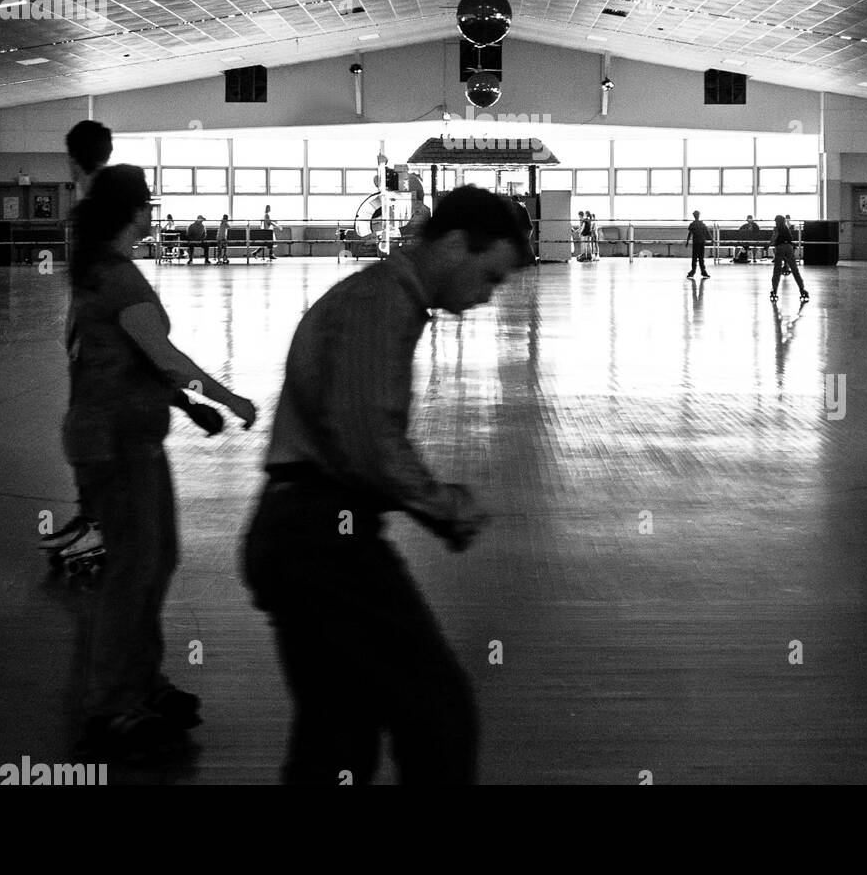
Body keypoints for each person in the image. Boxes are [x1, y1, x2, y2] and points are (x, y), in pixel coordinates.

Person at [243, 187, 533, 785]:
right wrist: (443, 506)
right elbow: (366, 444)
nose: (485, 296)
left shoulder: (377, 297)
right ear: (455, 244)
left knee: (337, 738)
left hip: (295, 534)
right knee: (437, 712)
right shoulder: (382, 302)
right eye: (489, 276)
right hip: (322, 542)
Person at [66, 166, 257, 758]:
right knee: (133, 570)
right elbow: (163, 353)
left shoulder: (98, 273)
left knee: (154, 561)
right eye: (147, 205)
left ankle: (140, 681)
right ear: (133, 212)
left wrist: (184, 407)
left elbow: (129, 360)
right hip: (115, 445)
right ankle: (111, 705)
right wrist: (227, 398)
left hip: (128, 439)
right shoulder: (118, 278)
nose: (152, 214)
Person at [39, 121, 116, 567]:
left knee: (88, 433)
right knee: (85, 432)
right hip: (92, 332)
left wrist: (78, 331)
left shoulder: (92, 209)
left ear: (71, 160)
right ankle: (91, 516)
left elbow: (90, 281)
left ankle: (100, 524)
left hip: (93, 338)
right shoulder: (100, 202)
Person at [769, 214, 808, 304]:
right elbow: (790, 239)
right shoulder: (786, 229)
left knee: (777, 271)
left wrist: (768, 244)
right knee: (795, 270)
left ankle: (774, 290)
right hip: (789, 248)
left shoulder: (776, 228)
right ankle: (802, 289)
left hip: (780, 248)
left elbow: (774, 237)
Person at [685, 210, 711, 279]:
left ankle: (693, 271)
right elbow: (707, 232)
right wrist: (712, 239)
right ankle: (703, 271)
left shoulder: (692, 224)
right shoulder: (702, 224)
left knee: (695, 257)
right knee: (701, 257)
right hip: (701, 242)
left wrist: (687, 241)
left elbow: (689, 233)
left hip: (696, 242)